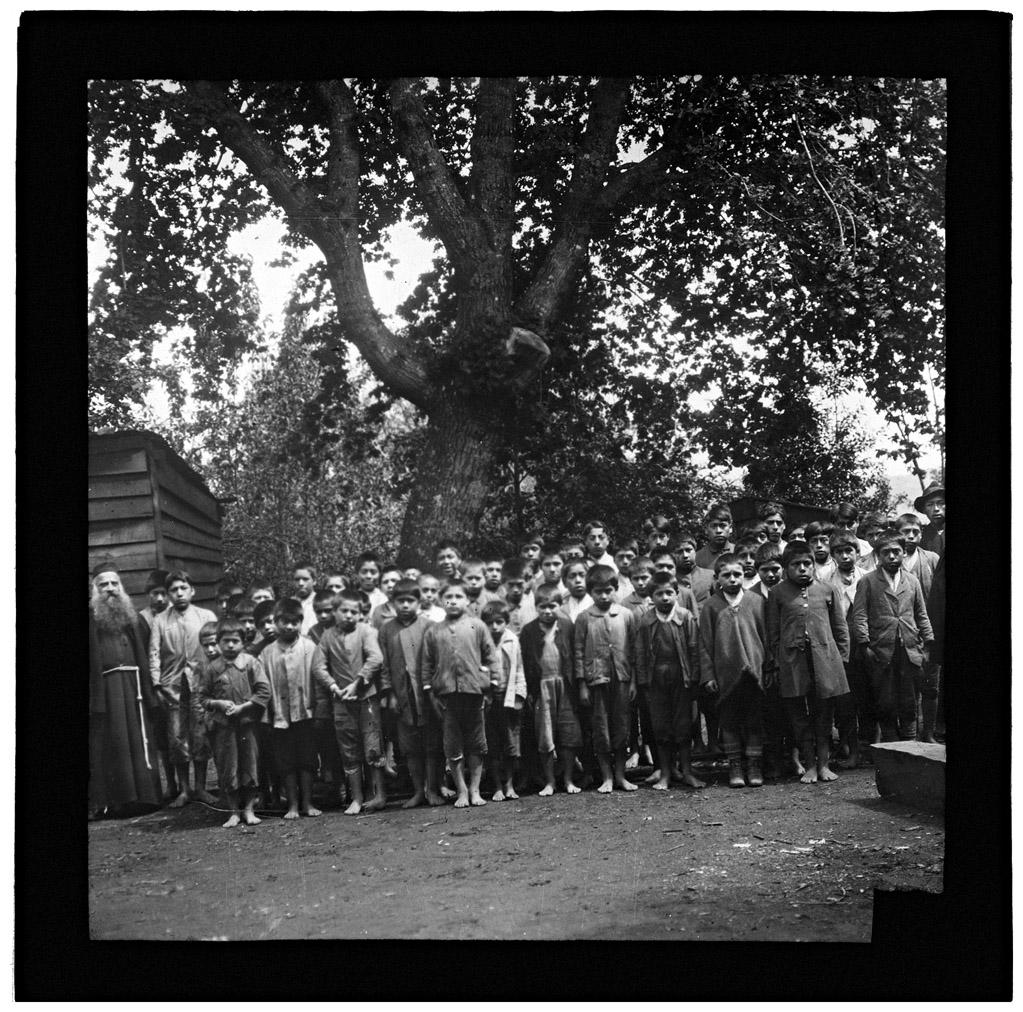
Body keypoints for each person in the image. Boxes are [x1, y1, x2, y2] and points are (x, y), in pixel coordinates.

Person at [766, 542, 850, 784]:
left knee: (823, 714)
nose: (802, 569)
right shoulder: (777, 593)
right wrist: (777, 662)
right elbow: (773, 633)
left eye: (807, 564)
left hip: (825, 661)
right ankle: (810, 766)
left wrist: (841, 661)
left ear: (814, 565)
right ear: (785, 568)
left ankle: (824, 765)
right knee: (799, 716)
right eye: (796, 564)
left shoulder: (828, 589)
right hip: (792, 663)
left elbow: (840, 628)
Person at [89, 564, 163, 819]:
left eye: (114, 583)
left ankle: (146, 799)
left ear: (120, 586)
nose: (110, 589)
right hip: (107, 690)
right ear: (95, 589)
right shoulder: (91, 617)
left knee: (140, 739)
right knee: (115, 743)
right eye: (103, 584)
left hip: (136, 688)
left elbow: (148, 651)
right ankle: (119, 801)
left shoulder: (134, 618)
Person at [258, 598, 342, 820]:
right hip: (280, 718)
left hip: (306, 715)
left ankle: (308, 802)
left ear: (301, 623)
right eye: (284, 622)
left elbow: (319, 681)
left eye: (294, 622)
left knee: (307, 761)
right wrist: (266, 718)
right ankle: (293, 805)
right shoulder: (266, 653)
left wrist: (320, 713)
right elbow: (263, 688)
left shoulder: (310, 647)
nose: (289, 626)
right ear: (276, 622)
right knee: (286, 763)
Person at [849, 531, 935, 743]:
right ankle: (891, 746)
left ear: (904, 553)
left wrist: (928, 645)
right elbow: (859, 616)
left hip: (909, 650)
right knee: (885, 702)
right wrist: (865, 645)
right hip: (881, 651)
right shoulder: (868, 581)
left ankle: (909, 743)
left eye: (896, 551)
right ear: (878, 555)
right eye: (886, 552)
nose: (892, 556)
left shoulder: (912, 581)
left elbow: (921, 614)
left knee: (909, 700)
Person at [422, 578, 499, 809]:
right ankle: (462, 791)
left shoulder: (477, 626)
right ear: (440, 600)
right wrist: (431, 694)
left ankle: (475, 790)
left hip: (474, 693)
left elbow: (491, 657)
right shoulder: (433, 631)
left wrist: (491, 688)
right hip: (446, 697)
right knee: (452, 745)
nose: (453, 601)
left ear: (467, 600)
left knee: (476, 743)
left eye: (458, 597)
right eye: (448, 597)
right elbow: (426, 665)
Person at [149, 570, 219, 807]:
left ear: (192, 590)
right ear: (168, 594)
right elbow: (154, 654)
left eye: (183, 588)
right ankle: (184, 790)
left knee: (200, 736)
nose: (179, 593)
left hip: (201, 684)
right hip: (173, 686)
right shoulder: (161, 621)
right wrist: (157, 685)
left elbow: (216, 648)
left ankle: (200, 788)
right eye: (173, 590)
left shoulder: (206, 616)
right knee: (177, 737)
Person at [699, 554, 769, 788]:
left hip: (754, 672)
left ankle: (754, 765)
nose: (732, 579)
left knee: (754, 720)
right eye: (726, 575)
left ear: (744, 574)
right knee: (728, 721)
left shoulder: (756, 601)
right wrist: (708, 674)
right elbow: (704, 644)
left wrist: (768, 668)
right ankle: (735, 765)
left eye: (737, 574)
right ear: (717, 578)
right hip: (725, 675)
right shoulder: (711, 606)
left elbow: (766, 636)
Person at [315, 589, 387, 815]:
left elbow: (376, 658)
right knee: (349, 749)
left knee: (373, 745)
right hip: (342, 702)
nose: (348, 615)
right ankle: (356, 798)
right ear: (334, 612)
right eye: (344, 611)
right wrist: (334, 687)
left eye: (354, 612)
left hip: (367, 699)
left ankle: (379, 795)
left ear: (360, 613)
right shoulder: (327, 636)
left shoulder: (366, 631)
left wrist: (357, 683)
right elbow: (318, 667)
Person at [195, 616, 272, 828]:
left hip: (248, 725)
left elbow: (264, 691)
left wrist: (243, 707)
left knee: (250, 764)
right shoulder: (212, 668)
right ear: (219, 642)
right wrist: (218, 703)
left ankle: (249, 810)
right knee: (229, 766)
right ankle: (233, 812)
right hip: (224, 728)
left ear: (243, 642)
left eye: (235, 641)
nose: (230, 645)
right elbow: (202, 697)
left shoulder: (250, 663)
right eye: (225, 641)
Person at [378, 579, 444, 808]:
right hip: (401, 696)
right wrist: (390, 694)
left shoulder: (428, 626)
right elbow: (384, 665)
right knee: (410, 748)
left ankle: (432, 790)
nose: (405, 605)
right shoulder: (386, 630)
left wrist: (434, 692)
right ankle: (417, 792)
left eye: (410, 600)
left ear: (419, 601)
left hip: (425, 695)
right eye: (400, 601)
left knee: (432, 745)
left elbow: (435, 660)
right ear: (392, 602)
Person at [635, 572, 703, 791]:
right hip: (656, 678)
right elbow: (640, 653)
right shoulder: (646, 620)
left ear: (676, 593)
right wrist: (644, 682)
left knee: (683, 725)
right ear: (651, 597)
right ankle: (665, 773)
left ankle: (687, 772)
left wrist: (694, 678)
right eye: (659, 594)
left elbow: (695, 650)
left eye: (668, 593)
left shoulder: (685, 617)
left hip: (681, 676)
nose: (664, 598)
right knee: (661, 727)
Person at [574, 564, 637, 793]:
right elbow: (578, 652)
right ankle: (606, 777)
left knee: (622, 727)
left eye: (608, 590)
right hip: (596, 680)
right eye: (598, 591)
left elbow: (634, 651)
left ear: (615, 589)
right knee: (601, 729)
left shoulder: (626, 615)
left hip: (622, 678)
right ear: (590, 592)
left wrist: (633, 682)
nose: (603, 596)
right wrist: (582, 685)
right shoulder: (584, 618)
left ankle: (620, 775)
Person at [520, 585, 583, 796]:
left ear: (560, 605)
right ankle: (550, 781)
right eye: (542, 607)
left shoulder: (566, 626)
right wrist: (529, 692)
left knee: (568, 733)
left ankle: (568, 779)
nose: (547, 611)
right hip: (541, 687)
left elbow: (575, 656)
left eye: (552, 606)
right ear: (536, 607)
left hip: (565, 686)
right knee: (544, 735)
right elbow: (525, 663)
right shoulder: (529, 631)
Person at [825, 531, 869, 768]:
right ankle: (850, 750)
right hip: (840, 648)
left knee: (869, 698)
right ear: (833, 555)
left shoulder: (868, 577)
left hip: (866, 646)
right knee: (845, 702)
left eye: (848, 551)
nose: (845, 556)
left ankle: (871, 748)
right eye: (839, 552)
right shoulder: (826, 581)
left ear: (857, 552)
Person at [480, 601, 526, 801]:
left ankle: (509, 784)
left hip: (508, 697)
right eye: (490, 623)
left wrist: (519, 696)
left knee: (511, 743)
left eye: (499, 622)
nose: (495, 627)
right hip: (489, 698)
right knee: (492, 743)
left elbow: (519, 669)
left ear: (506, 622)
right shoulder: (481, 641)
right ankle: (497, 785)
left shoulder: (512, 640)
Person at [673, 531, 716, 609]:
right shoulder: (671, 580)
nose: (685, 555)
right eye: (679, 551)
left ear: (695, 551)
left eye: (688, 550)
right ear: (673, 555)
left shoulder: (711, 576)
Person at [499, 558, 536, 634]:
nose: (515, 590)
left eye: (520, 584)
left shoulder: (534, 605)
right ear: (503, 583)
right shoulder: (498, 605)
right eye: (511, 584)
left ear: (527, 582)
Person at [694, 503, 734, 570]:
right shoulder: (698, 558)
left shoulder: (739, 552)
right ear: (706, 529)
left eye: (723, 526)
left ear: (730, 528)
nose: (718, 531)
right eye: (713, 526)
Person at [557, 559, 593, 624]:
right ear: (564, 583)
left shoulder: (595, 603)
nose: (578, 580)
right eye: (572, 577)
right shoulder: (561, 606)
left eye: (582, 575)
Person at [915, 481, 945, 553]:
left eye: (941, 503)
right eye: (930, 504)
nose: (936, 509)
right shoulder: (921, 536)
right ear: (924, 510)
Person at [290, 561, 318, 634]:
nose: (301, 583)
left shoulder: (319, 601)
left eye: (305, 579)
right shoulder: (288, 603)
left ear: (314, 581)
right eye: (297, 579)